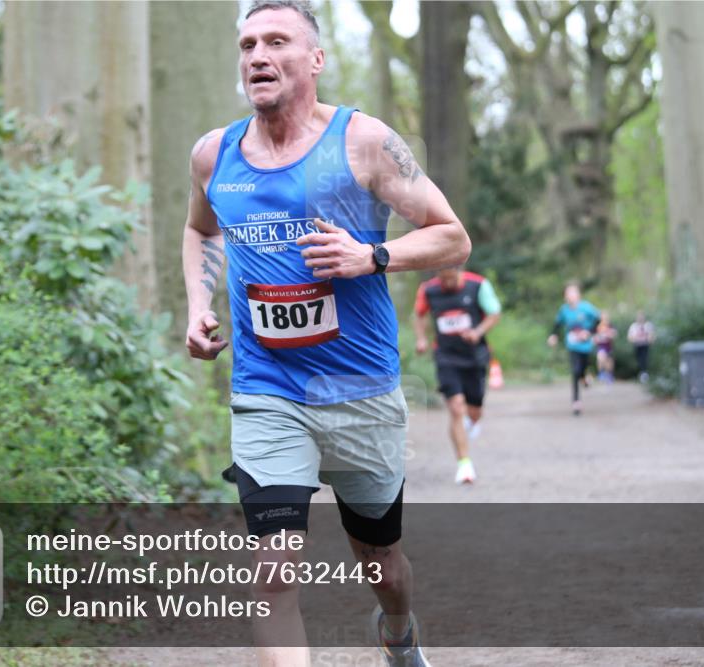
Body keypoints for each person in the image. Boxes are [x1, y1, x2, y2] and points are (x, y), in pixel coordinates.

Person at [182, 2, 471, 665]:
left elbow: (452, 237)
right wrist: (198, 303)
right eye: (248, 44)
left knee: (381, 562)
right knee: (273, 568)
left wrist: (373, 255)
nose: (258, 55)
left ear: (315, 60)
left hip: (359, 389)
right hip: (268, 389)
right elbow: (201, 230)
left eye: (277, 41)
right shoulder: (213, 154)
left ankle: (398, 631)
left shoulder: (363, 142)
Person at [413, 267, 502, 484]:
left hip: (474, 356)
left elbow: (494, 313)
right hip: (446, 356)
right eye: (442, 279)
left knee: (474, 411)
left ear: (458, 270)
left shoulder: (478, 285)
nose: (447, 284)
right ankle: (464, 465)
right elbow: (419, 314)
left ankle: (471, 422)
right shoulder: (428, 290)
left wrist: (477, 332)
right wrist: (421, 338)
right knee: (455, 408)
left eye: (451, 279)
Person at [547, 283, 602, 416]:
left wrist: (589, 332)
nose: (570, 295)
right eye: (568, 293)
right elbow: (557, 324)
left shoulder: (586, 308)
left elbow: (598, 319)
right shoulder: (564, 310)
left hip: (586, 345)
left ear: (578, 295)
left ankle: (584, 378)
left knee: (582, 369)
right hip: (572, 345)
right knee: (575, 371)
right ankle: (576, 401)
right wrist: (553, 335)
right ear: (565, 296)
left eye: (573, 292)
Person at [627, 311, 655, 383]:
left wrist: (650, 339)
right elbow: (630, 336)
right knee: (639, 360)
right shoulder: (633, 326)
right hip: (637, 345)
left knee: (644, 359)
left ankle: (644, 374)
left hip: (645, 345)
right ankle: (642, 373)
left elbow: (651, 335)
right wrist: (634, 339)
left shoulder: (648, 325)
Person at [594, 311, 617, 383]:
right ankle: (601, 373)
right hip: (601, 346)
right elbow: (595, 337)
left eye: (605, 316)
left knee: (609, 361)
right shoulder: (598, 326)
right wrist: (598, 338)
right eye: (603, 316)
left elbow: (614, 334)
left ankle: (609, 375)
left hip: (609, 346)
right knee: (600, 358)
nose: (604, 318)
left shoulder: (611, 325)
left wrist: (608, 335)